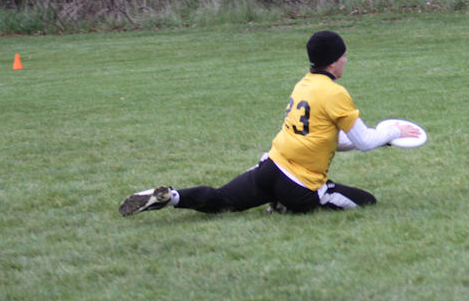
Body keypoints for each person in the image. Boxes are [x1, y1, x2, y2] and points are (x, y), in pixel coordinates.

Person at [118, 30, 421, 216]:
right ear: (332, 61)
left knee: (222, 200)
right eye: (343, 56)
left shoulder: (303, 84)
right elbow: (364, 141)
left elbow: (325, 139)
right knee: (367, 202)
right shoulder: (335, 93)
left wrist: (382, 140)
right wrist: (392, 131)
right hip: (300, 185)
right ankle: (284, 206)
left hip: (271, 167)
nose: (345, 60)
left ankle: (172, 196)